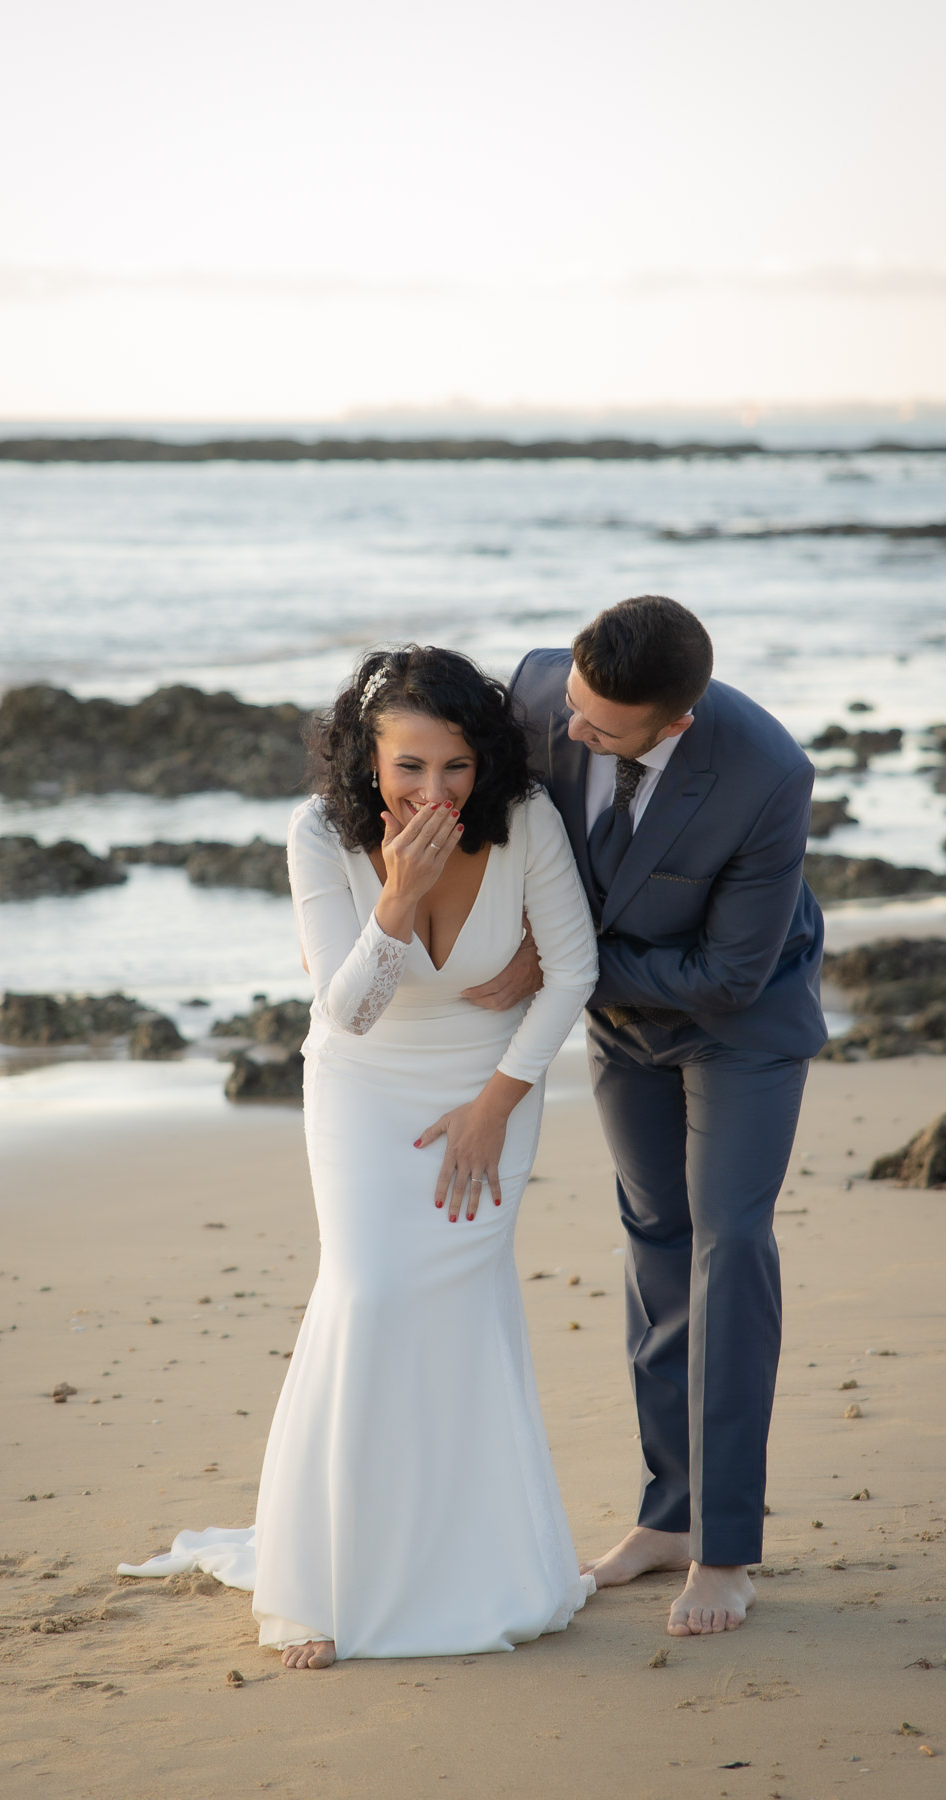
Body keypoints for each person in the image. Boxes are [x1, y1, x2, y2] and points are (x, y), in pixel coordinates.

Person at [119, 645, 599, 1665]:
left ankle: (474, 1564)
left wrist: (494, 1106)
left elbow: (572, 972)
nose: (435, 790)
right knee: (370, 1295)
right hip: (363, 1087)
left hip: (493, 1087)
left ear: (487, 764)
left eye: (457, 768)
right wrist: (394, 900)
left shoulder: (527, 824)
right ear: (367, 760)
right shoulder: (315, 835)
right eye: (411, 767)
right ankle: (327, 1581)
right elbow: (346, 1008)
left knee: (462, 1314)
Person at [476, 594, 826, 1638]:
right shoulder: (544, 688)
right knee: (653, 1247)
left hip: (741, 1024)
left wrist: (561, 964)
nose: (573, 732)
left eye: (602, 728)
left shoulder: (769, 774)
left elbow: (728, 975)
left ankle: (724, 1551)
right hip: (617, 1021)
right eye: (574, 708)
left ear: (673, 723)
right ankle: (668, 1515)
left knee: (730, 1247)